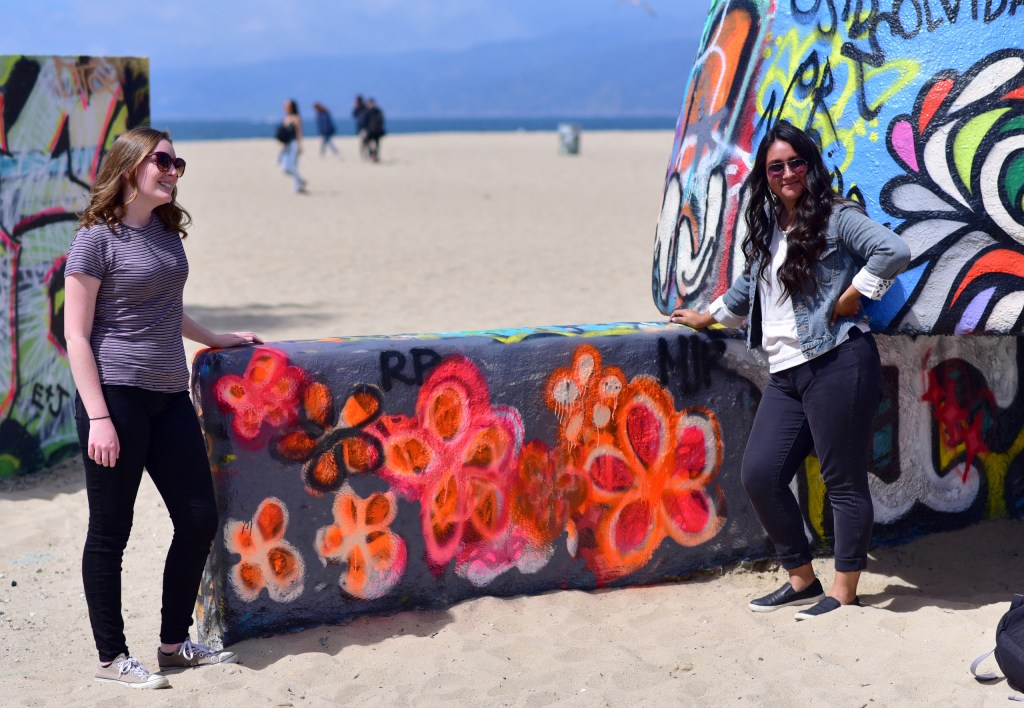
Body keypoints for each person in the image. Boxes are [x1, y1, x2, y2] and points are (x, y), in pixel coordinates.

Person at [670, 121, 910, 620]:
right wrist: (708, 316)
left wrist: (855, 293)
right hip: (786, 371)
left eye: (796, 163)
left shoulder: (838, 217)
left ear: (810, 165)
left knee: (843, 481)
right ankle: (801, 579)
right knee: (760, 474)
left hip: (838, 360)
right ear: (765, 173)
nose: (787, 173)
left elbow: (894, 251)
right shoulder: (769, 226)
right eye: (776, 166)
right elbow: (748, 287)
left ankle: (844, 592)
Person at [65, 127, 263, 688]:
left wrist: (215, 338)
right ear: (130, 167)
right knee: (111, 532)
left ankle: (174, 644)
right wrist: (98, 416)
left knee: (198, 518)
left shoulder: (166, 235)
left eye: (179, 162)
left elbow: (166, 310)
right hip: (116, 398)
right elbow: (76, 335)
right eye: (163, 161)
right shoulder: (94, 240)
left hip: (170, 394)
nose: (174, 170)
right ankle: (112, 659)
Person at [278, 99, 306, 193]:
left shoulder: (296, 118)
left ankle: (297, 187)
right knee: (285, 168)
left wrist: (299, 145)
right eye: (284, 106)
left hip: (294, 143)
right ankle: (300, 181)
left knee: (293, 166)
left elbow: (299, 133)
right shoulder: (285, 118)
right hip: (286, 144)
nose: (285, 108)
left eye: (287, 106)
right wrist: (282, 145)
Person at [362, 98, 386, 163]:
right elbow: (382, 120)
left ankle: (372, 155)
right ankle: (375, 155)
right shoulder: (378, 111)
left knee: (368, 143)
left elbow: (364, 122)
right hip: (377, 131)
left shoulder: (367, 111)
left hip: (370, 131)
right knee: (376, 144)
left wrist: (364, 129)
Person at [352, 94, 368, 159]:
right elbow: (354, 115)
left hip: (365, 127)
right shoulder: (358, 108)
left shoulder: (365, 107)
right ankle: (364, 155)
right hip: (362, 127)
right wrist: (355, 107)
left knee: (365, 142)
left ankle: (366, 154)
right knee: (364, 142)